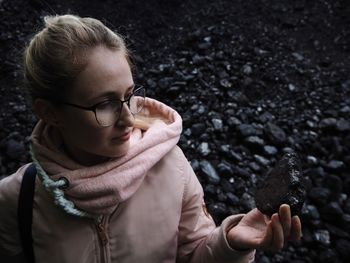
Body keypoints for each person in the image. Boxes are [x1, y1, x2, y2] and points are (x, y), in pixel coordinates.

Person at [0, 14, 302, 263]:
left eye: (129, 97)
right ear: (51, 113)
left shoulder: (172, 167)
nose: (129, 120)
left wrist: (231, 245)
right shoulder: (16, 201)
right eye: (104, 104)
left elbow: (195, 255)